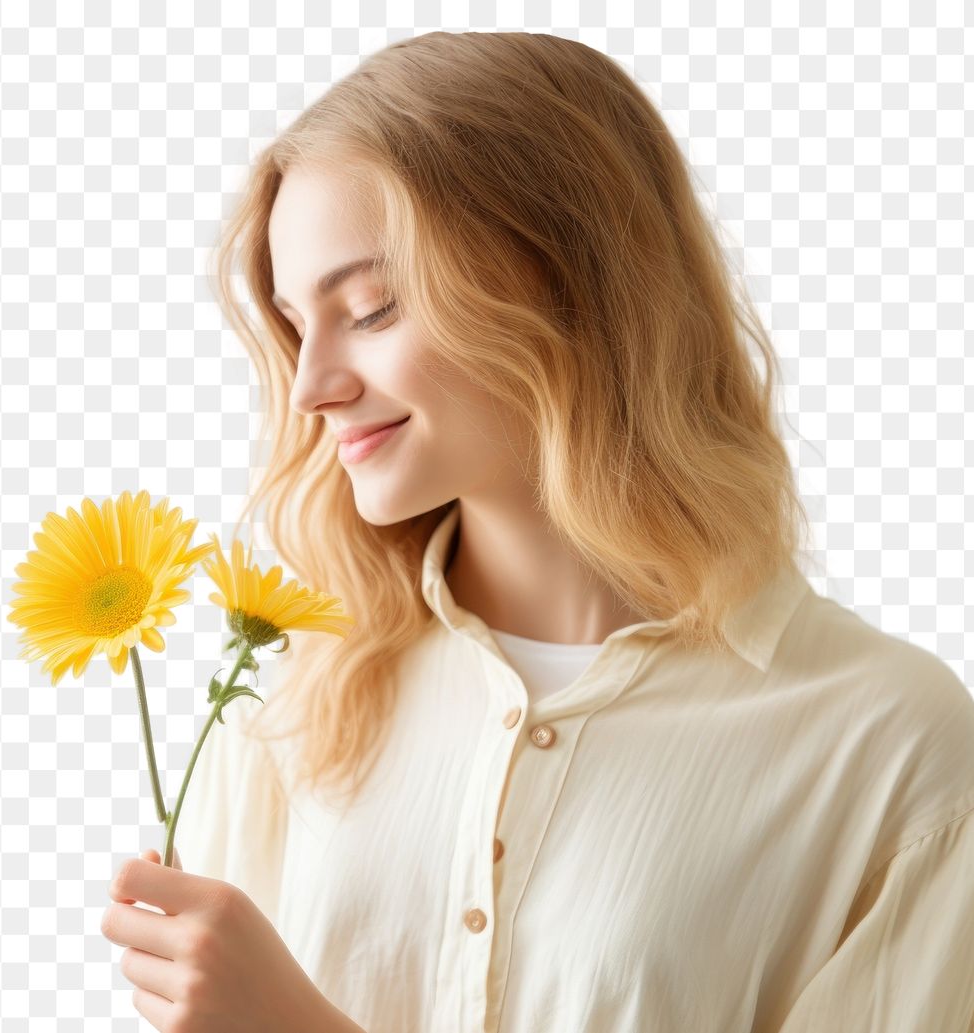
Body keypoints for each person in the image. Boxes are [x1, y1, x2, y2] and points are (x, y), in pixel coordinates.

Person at [164, 30, 972, 1033]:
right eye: (295, 324)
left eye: (369, 309)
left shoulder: (886, 742)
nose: (312, 385)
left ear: (568, 279)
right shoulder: (293, 700)